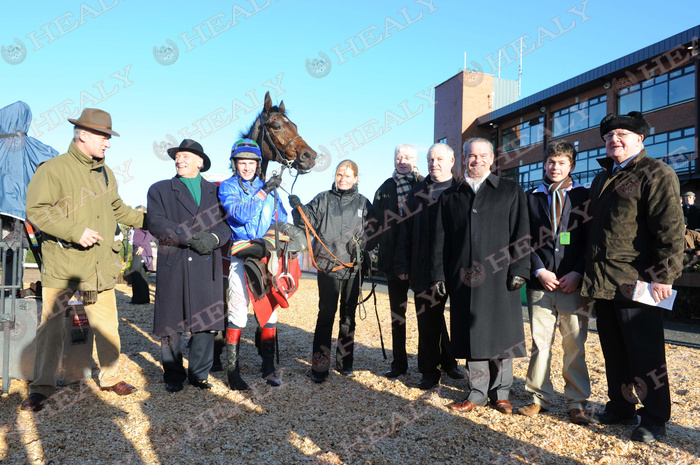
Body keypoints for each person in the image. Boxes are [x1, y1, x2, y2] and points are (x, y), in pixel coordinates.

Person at [22, 108, 145, 411]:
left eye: (108, 136)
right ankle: (41, 386)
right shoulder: (53, 169)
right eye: (104, 136)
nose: (108, 143)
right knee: (51, 328)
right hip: (64, 265)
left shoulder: (106, 172)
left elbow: (119, 209)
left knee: (107, 326)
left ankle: (110, 376)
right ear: (83, 135)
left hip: (100, 265)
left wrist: (152, 220)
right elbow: (36, 210)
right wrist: (75, 231)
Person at [582, 111, 685, 443]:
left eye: (622, 134)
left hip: (639, 281)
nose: (614, 139)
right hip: (604, 280)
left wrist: (664, 275)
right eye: (609, 136)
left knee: (646, 354)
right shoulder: (602, 179)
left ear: (640, 139)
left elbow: (670, 228)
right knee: (614, 351)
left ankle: (654, 416)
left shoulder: (656, 173)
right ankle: (622, 405)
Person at [430, 138, 529, 415]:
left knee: (501, 336)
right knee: (472, 336)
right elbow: (441, 240)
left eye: (483, 155)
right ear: (464, 159)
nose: (477, 160)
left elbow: (522, 233)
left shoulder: (509, 190)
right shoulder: (450, 195)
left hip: (501, 277)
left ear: (492, 158)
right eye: (472, 156)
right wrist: (439, 275)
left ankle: (502, 393)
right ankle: (476, 393)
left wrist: (520, 269)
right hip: (463, 277)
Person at [515, 141, 591, 425]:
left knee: (574, 343)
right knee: (540, 343)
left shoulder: (584, 196)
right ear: (544, 164)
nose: (555, 167)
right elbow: (522, 238)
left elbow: (590, 240)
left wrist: (579, 273)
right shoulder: (531, 197)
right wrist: (538, 270)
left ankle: (577, 401)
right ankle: (538, 398)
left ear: (571, 165)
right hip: (541, 284)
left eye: (561, 163)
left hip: (573, 283)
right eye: (550, 162)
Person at [147, 139, 231, 393]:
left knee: (205, 322)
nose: (179, 160)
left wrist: (213, 239)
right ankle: (173, 374)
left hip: (207, 262)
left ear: (200, 162)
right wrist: (189, 238)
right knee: (171, 321)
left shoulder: (216, 192)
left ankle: (199, 374)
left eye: (185, 156)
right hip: (176, 259)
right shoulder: (160, 189)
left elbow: (227, 223)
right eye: (177, 156)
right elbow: (156, 222)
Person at [290, 160, 372, 383]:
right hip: (328, 266)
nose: (343, 179)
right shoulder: (323, 199)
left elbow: (371, 233)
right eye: (339, 175)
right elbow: (307, 222)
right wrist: (297, 208)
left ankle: (345, 363)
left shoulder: (364, 203)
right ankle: (319, 366)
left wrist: (365, 250)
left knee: (348, 317)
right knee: (326, 315)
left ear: (356, 178)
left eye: (348, 175)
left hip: (353, 268)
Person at [218, 138, 285, 390]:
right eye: (241, 163)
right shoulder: (227, 187)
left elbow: (280, 220)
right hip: (241, 255)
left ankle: (268, 368)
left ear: (258, 165)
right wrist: (263, 192)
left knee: (270, 310)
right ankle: (232, 373)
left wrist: (276, 245)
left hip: (266, 255)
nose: (246, 168)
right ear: (235, 164)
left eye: (251, 163)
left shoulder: (267, 187)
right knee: (237, 310)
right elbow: (239, 214)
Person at [394, 143, 463, 389]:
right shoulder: (416, 193)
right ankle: (428, 372)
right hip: (423, 269)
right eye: (430, 160)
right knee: (428, 324)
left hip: (457, 269)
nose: (434, 164)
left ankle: (454, 365)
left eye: (440, 159)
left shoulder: (463, 190)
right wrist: (403, 265)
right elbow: (405, 232)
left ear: (452, 161)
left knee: (463, 321)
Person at [370, 144, 423, 378]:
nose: (403, 161)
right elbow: (373, 224)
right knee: (398, 315)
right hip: (393, 260)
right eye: (399, 157)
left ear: (416, 160)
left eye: (408, 157)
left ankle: (441, 361)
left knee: (430, 314)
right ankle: (399, 363)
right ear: (394, 161)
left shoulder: (425, 186)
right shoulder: (385, 189)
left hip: (421, 259)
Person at [129, 205, 154, 304]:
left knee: (135, 271)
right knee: (141, 273)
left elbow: (150, 233)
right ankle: (143, 298)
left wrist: (142, 246)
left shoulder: (144, 221)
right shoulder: (137, 222)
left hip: (141, 249)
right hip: (137, 248)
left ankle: (139, 298)